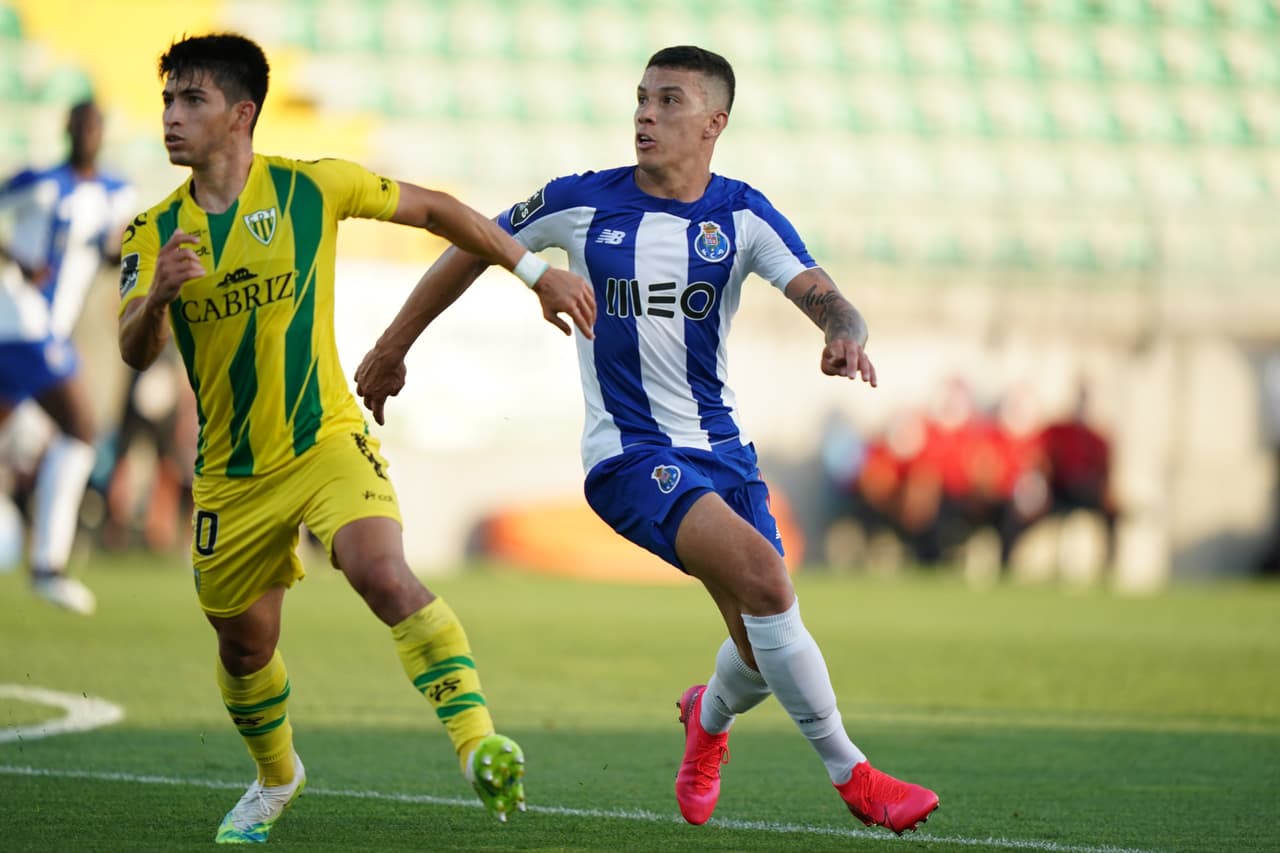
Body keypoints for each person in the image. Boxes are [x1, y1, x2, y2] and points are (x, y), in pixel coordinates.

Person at [355, 46, 939, 835]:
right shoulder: (580, 200)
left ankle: (709, 718)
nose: (645, 115)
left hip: (724, 453)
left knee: (762, 645)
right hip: (628, 457)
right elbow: (472, 247)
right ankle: (854, 774)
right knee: (769, 582)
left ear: (713, 123)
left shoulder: (741, 214)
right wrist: (395, 346)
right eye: (640, 99)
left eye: (668, 101)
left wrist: (843, 335)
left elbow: (827, 296)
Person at [116, 33, 594, 844]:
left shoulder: (313, 188)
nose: (170, 116)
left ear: (241, 116)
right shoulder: (151, 231)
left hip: (327, 441)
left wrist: (534, 271)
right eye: (166, 100)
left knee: (381, 570)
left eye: (190, 100)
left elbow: (438, 210)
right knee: (243, 646)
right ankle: (276, 776)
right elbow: (133, 350)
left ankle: (480, 746)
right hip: (231, 477)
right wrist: (157, 295)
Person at [0, 98, 136, 615]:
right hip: (20, 323)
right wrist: (17, 259)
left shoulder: (115, 191)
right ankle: (47, 567)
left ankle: (46, 564)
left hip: (43, 331)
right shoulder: (37, 182)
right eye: (80, 124)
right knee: (80, 426)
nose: (87, 133)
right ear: (67, 129)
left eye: (96, 125)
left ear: (104, 134)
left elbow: (110, 250)